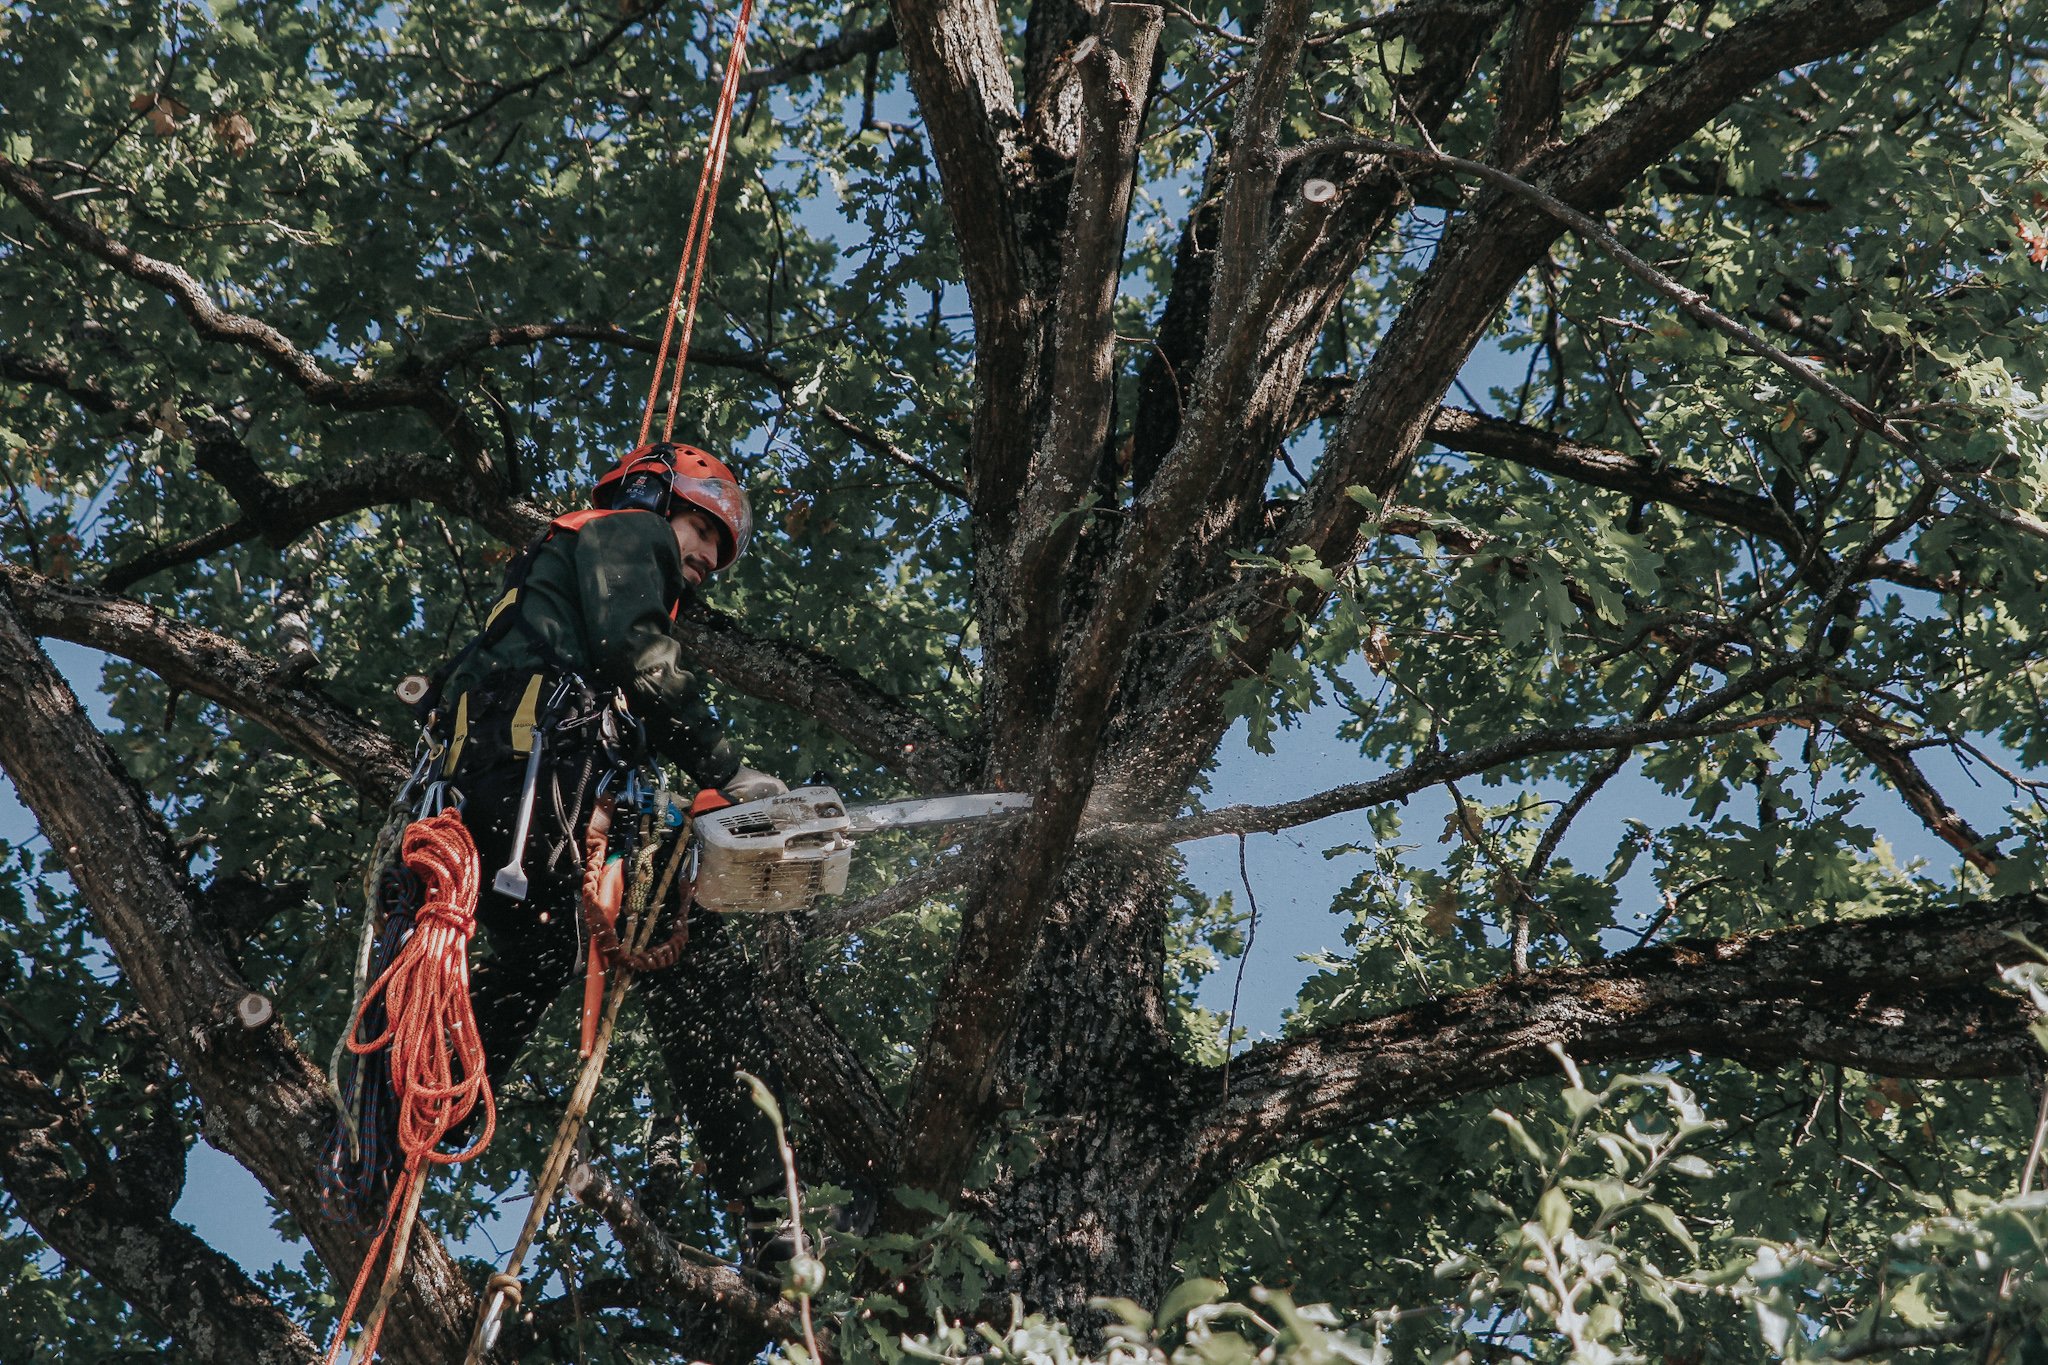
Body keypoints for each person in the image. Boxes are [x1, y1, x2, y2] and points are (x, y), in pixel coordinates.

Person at [426, 440, 793, 1263]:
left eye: (716, 551)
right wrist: (729, 768)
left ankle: (426, 1095)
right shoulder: (629, 530)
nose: (702, 558)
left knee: (541, 952)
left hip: (498, 794)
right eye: (702, 532)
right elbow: (638, 651)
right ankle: (773, 1213)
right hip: (539, 790)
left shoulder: (551, 579)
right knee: (701, 976)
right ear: (659, 496)